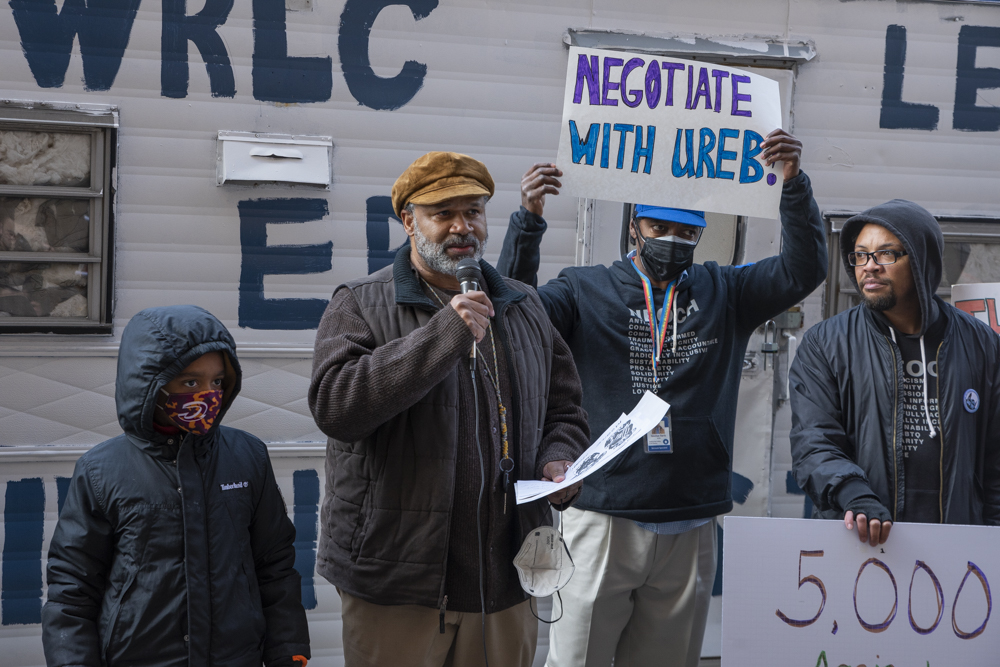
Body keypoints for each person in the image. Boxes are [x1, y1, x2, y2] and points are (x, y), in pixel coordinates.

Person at [497, 129, 827, 667]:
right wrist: (529, 219)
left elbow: (804, 270)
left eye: (686, 231)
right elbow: (515, 313)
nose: (671, 239)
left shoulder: (727, 292)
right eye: (659, 228)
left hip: (690, 513)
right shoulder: (584, 288)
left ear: (702, 234)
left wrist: (792, 183)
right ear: (634, 228)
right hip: (602, 512)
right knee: (577, 660)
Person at [309, 151, 590, 667]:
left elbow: (565, 409)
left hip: (506, 580)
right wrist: (443, 335)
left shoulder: (524, 306)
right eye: (443, 214)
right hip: (399, 584)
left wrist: (559, 457)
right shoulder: (360, 303)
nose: (462, 228)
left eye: (474, 212)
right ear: (409, 221)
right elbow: (336, 407)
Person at [42, 305, 310, 667]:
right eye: (189, 382)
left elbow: (275, 566)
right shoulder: (101, 471)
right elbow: (72, 588)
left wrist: (289, 653)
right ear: (149, 382)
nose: (207, 395)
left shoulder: (248, 456)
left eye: (217, 382)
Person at [790, 200, 1000, 546]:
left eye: (886, 254)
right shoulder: (825, 343)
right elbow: (813, 443)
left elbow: (994, 460)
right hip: (860, 540)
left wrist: (991, 539)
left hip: (958, 546)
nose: (869, 267)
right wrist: (855, 495)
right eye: (860, 255)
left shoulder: (981, 344)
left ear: (921, 259)